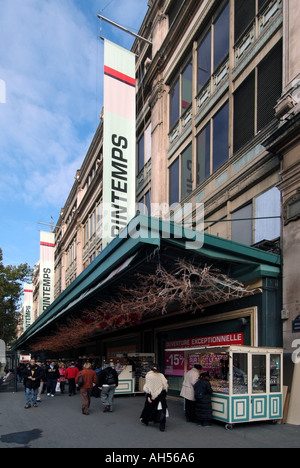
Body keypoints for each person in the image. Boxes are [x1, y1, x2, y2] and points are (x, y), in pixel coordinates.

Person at [140, 364, 169, 432]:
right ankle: (162, 425)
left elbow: (148, 387)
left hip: (152, 395)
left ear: (151, 368)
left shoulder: (148, 376)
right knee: (162, 409)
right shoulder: (161, 375)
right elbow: (165, 385)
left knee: (149, 408)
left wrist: (148, 396)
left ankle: (145, 420)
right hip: (161, 394)